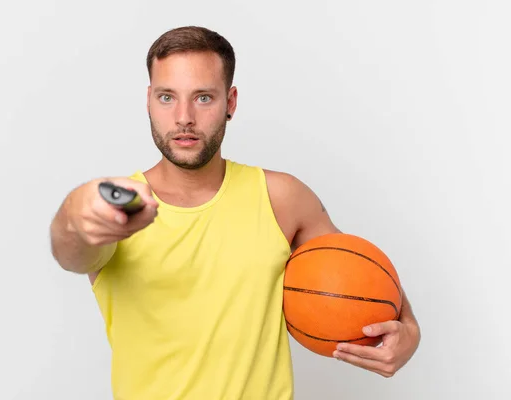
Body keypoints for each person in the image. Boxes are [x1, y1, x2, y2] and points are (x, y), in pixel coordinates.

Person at [49, 26, 421, 399]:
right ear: (148, 100)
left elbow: (358, 274)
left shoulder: (282, 198)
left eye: (203, 98)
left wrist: (409, 329)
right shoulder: (122, 210)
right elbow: (71, 249)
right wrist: (76, 213)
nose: (184, 118)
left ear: (231, 102)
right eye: (167, 97)